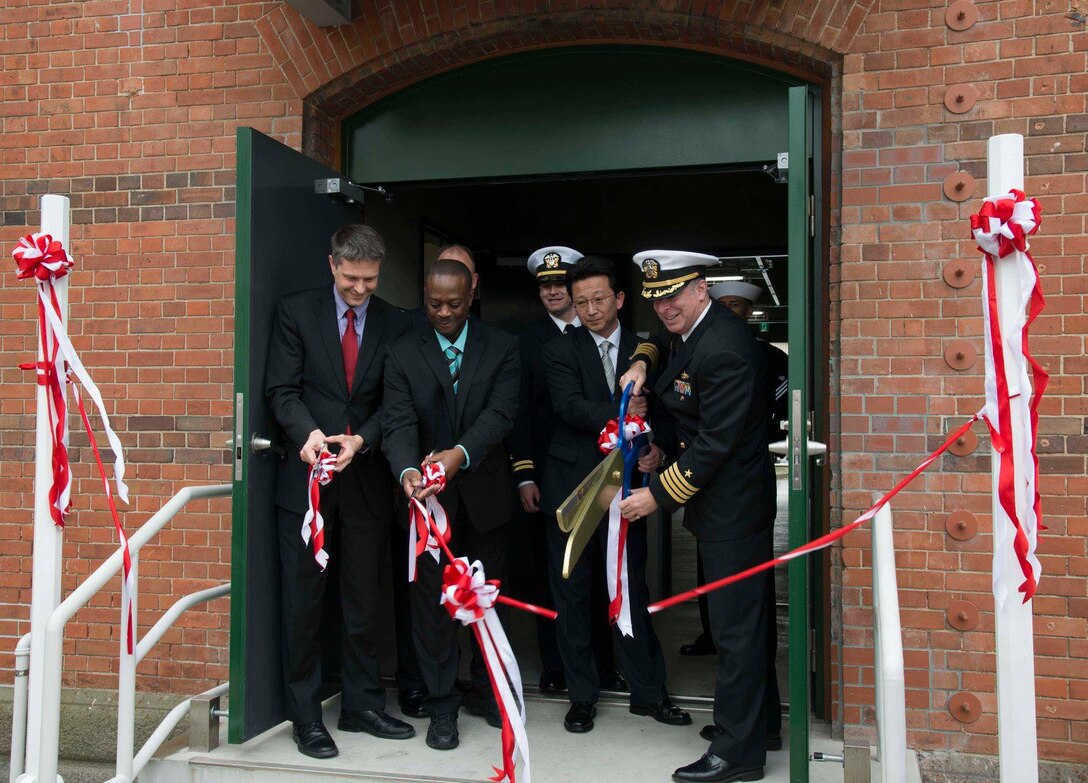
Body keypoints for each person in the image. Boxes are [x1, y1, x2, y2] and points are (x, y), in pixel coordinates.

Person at [617, 251, 776, 783]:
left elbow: (713, 446)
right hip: (721, 506)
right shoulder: (692, 327)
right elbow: (656, 339)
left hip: (732, 506)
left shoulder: (726, 349)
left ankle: (738, 753)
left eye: (674, 296)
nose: (665, 308)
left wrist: (656, 497)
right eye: (657, 298)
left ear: (701, 288)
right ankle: (760, 727)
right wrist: (640, 362)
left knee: (736, 631)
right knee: (743, 623)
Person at [265, 224, 416, 759]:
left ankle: (362, 705)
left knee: (363, 602)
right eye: (351, 278)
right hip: (305, 485)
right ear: (332, 265)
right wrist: (306, 433)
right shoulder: (295, 311)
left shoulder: (398, 322)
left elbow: (398, 403)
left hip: (367, 483)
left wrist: (363, 439)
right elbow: (281, 389)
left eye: (370, 279)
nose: (360, 288)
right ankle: (306, 717)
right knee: (303, 605)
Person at [541, 256, 691, 734]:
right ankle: (581, 695)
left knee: (631, 590)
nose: (590, 309)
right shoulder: (559, 349)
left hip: (630, 493)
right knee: (573, 595)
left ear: (620, 299)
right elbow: (569, 407)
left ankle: (649, 692)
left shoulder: (649, 346)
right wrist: (625, 409)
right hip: (574, 490)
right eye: (581, 301)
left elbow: (670, 411)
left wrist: (658, 449)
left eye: (599, 299)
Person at [381, 258, 521, 751]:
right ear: (424, 294)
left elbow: (501, 413)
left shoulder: (502, 347)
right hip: (426, 505)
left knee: (487, 601)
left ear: (473, 291)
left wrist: (459, 455)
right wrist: (407, 471)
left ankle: (487, 691)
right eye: (434, 303)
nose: (443, 313)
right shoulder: (401, 352)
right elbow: (397, 422)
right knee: (432, 609)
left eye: (454, 304)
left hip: (487, 498)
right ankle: (442, 706)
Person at [508, 245, 582, 694]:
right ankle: (554, 664)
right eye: (546, 285)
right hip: (546, 475)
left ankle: (599, 660)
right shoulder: (526, 342)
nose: (553, 291)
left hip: (597, 472)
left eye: (560, 283)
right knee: (548, 576)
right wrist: (524, 474)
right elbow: (517, 414)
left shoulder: (600, 333)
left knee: (596, 573)